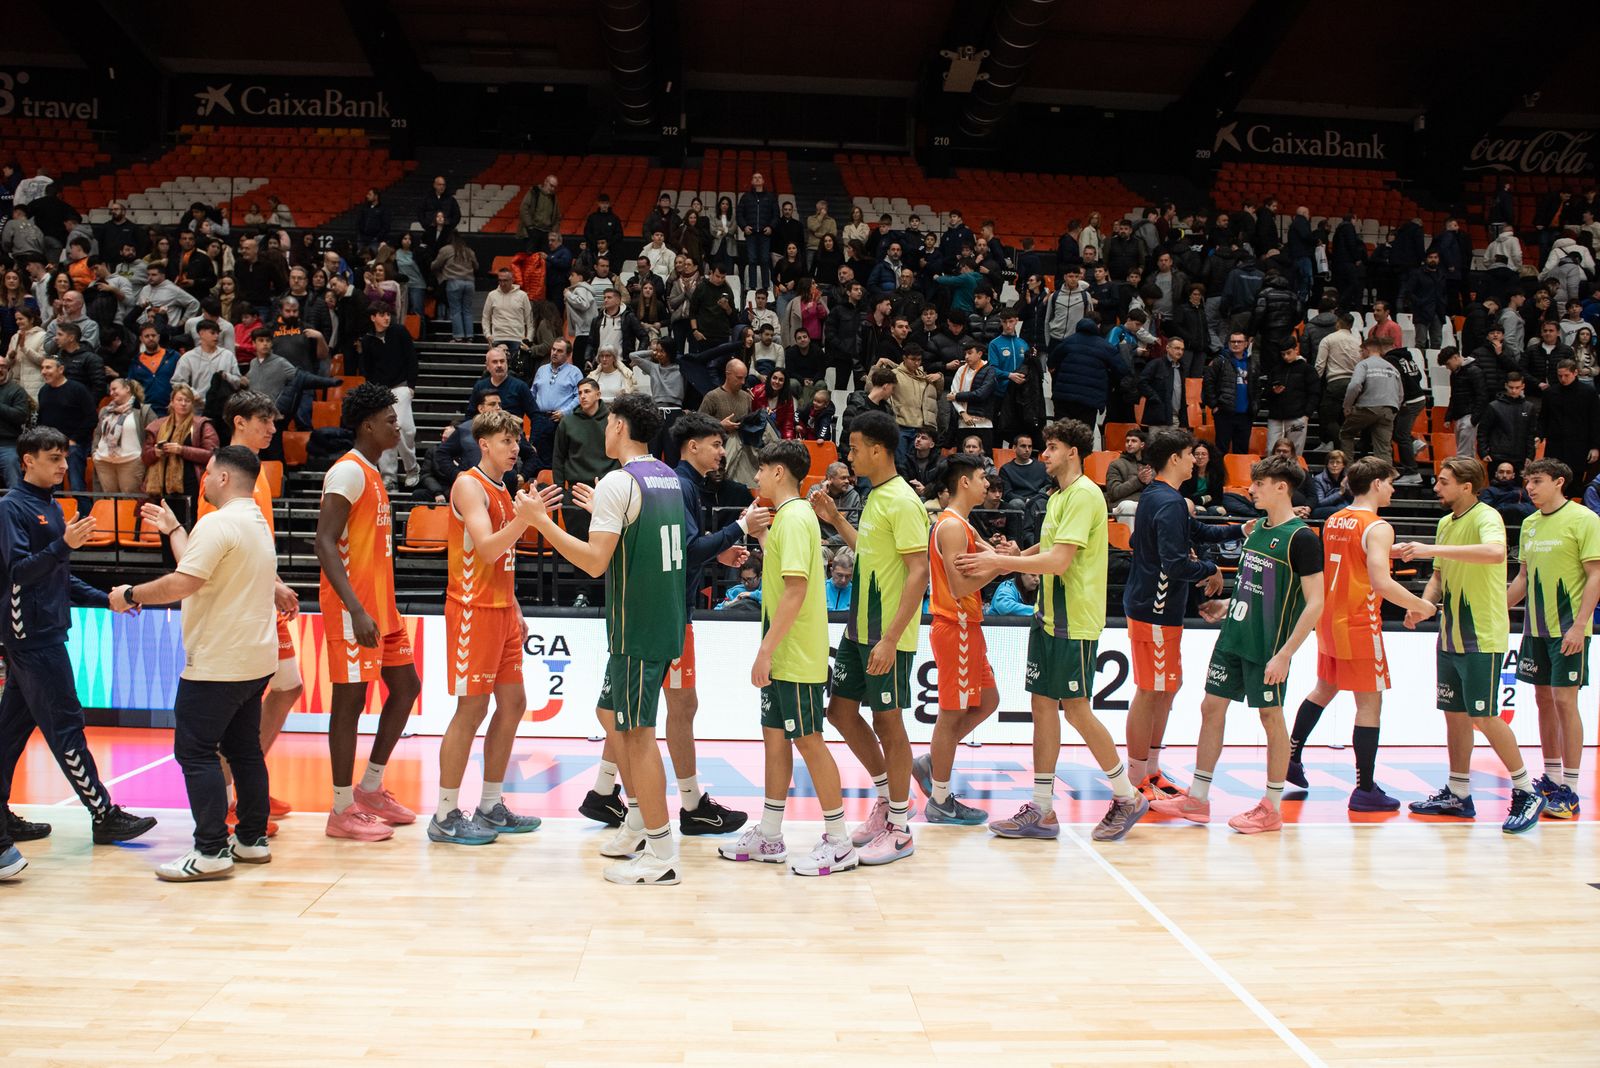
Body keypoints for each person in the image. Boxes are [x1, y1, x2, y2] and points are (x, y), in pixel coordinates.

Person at [520, 393, 689, 884]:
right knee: (610, 715)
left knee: (637, 736)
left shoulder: (619, 481)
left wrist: (540, 522)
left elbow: (594, 562)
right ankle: (637, 823)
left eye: (607, 423)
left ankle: (661, 856)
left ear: (616, 425)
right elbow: (637, 535)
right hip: (664, 618)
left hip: (636, 624)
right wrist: (606, 512)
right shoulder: (665, 477)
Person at [959, 418, 1147, 842]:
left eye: (1053, 448)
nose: (1045, 455)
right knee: (1042, 707)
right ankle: (1041, 809)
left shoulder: (1084, 495)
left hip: (1073, 620)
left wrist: (1001, 564)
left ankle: (1127, 796)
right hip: (1047, 616)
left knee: (1076, 709)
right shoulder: (1060, 495)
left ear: (1073, 453)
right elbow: (1047, 548)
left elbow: (1060, 562)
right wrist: (1010, 552)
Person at [577, 413, 761, 831]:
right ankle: (671, 813)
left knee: (634, 710)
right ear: (691, 446)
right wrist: (738, 528)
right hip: (662, 613)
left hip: (662, 611)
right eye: (716, 443)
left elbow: (678, 547)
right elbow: (684, 550)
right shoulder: (672, 482)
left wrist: (717, 551)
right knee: (643, 714)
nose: (722, 451)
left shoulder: (669, 481)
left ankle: (607, 794)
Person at [115, 447, 280, 880]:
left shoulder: (218, 523)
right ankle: (251, 840)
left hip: (217, 662)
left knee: (195, 751)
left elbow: (183, 582)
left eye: (207, 474)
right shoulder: (256, 522)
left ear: (223, 478)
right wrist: (174, 529)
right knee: (245, 751)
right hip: (254, 659)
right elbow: (201, 566)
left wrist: (130, 594)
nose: (202, 481)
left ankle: (210, 851)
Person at [0, 427, 157, 880]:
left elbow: (58, 579)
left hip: (46, 630)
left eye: (63, 458)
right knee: (66, 724)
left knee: (10, 731)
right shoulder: (11, 509)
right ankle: (104, 814)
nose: (62, 466)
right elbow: (19, 574)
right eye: (52, 458)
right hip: (30, 636)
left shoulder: (50, 506)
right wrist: (62, 545)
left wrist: (106, 598)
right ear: (26, 460)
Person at [1150, 455, 1324, 833]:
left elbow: (1316, 603)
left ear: (1282, 487)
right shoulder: (1257, 529)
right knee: (1210, 707)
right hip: (1234, 636)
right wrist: (1227, 604)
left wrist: (1285, 654)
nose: (1251, 489)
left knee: (1270, 717)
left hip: (1269, 645)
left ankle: (1272, 806)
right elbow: (1257, 587)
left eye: (1259, 483)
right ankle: (1197, 798)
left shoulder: (1303, 539)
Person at [716, 441, 858, 873]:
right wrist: (760, 537)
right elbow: (785, 576)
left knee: (809, 741)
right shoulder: (787, 521)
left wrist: (765, 652)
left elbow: (795, 591)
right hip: (785, 656)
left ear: (779, 473)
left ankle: (839, 842)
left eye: (761, 469)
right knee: (775, 739)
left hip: (794, 656)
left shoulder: (796, 518)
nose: (755, 477)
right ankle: (770, 835)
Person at [1395, 458, 1547, 832]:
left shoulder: (1486, 517)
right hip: (1450, 633)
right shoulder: (1446, 524)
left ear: (1466, 486)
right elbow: (1439, 576)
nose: (1436, 488)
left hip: (1482, 634)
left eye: (1443, 482)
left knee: (1483, 715)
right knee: (1455, 714)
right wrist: (1424, 606)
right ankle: (1458, 793)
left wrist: (1430, 550)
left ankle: (1526, 789)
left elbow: (1496, 554)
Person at [1282, 457, 1438, 810]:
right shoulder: (1378, 526)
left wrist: (1386, 552)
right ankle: (1365, 788)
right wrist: (1421, 605)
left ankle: (1291, 757)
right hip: (1359, 622)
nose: (1394, 489)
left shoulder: (1336, 518)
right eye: (1391, 482)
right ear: (1378, 483)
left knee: (1324, 688)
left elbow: (1352, 558)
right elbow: (1380, 582)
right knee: (1370, 704)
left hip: (1328, 619)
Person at [809, 411, 930, 864]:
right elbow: (871, 550)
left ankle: (900, 827)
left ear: (878, 450)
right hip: (858, 628)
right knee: (840, 712)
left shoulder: (902, 500)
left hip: (886, 634)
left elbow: (920, 573)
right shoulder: (876, 496)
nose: (850, 455)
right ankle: (887, 798)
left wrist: (890, 638)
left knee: (888, 721)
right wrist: (837, 520)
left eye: (855, 447)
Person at [426, 410, 547, 846]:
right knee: (471, 710)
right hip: (472, 611)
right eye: (506, 440)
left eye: (517, 440)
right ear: (485, 445)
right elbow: (489, 548)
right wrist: (527, 519)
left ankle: (491, 805)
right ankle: (443, 815)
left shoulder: (503, 488)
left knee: (513, 704)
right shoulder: (468, 484)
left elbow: (504, 562)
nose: (515, 447)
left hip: (501, 610)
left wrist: (514, 603)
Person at [313, 384, 423, 842]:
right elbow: (323, 542)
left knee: (406, 686)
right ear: (367, 425)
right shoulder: (348, 473)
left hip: (382, 608)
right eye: (390, 419)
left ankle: (371, 788)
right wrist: (356, 610)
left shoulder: (373, 473)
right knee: (350, 702)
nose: (398, 425)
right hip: (352, 609)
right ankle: (341, 809)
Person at [197, 392, 303, 825]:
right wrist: (273, 585)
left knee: (290, 685)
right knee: (240, 704)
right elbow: (223, 545)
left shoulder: (254, 472)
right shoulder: (222, 474)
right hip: (242, 601)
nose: (273, 430)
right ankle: (227, 800)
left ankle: (246, 781)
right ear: (239, 422)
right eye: (265, 421)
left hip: (261, 594)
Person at [1124, 428, 1235, 800]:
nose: (1195, 459)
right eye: (1191, 454)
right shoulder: (1169, 502)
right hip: (1154, 609)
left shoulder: (1161, 496)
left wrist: (1238, 530)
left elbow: (1193, 530)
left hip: (1158, 608)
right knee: (1151, 690)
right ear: (1175, 459)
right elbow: (1173, 564)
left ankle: (1151, 770)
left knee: (1167, 687)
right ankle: (1137, 776)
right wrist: (1209, 570)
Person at [911, 454, 1004, 825]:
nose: (988, 484)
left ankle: (934, 759)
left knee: (989, 700)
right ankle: (940, 800)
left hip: (969, 626)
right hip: (956, 626)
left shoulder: (964, 525)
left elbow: (993, 558)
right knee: (950, 718)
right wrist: (998, 565)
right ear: (964, 482)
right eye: (983, 477)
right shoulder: (950, 527)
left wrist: (1005, 557)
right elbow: (960, 584)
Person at [1505, 458, 1600, 820]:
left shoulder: (1585, 520)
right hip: (1536, 628)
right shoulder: (1529, 524)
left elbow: (1596, 576)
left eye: (1538, 481)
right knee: (1543, 699)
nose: (1530, 488)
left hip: (1569, 628)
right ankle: (1553, 777)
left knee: (1564, 700)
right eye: (1528, 482)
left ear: (1559, 482)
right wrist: (1496, 609)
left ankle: (1571, 790)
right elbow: (1522, 580)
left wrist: (1580, 625)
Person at [35, 355, 97, 491]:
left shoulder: (78, 389)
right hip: (50, 446)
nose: (43, 371)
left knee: (76, 485)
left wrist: (74, 440)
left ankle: (84, 512)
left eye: (48, 367)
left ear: (61, 369)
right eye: (42, 368)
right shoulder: (43, 391)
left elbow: (91, 417)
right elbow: (41, 419)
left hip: (75, 446)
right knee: (53, 487)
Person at [1539, 360, 1600, 495]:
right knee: (1553, 480)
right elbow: (1543, 418)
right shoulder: (1550, 393)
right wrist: (1540, 435)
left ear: (1575, 373)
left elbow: (1595, 421)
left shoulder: (1588, 393)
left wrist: (1595, 446)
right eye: (1560, 376)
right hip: (1555, 445)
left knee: (1575, 483)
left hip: (1579, 446)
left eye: (1566, 375)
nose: (1563, 379)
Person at [1340, 338, 1402, 461]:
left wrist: (1347, 406)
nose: (1360, 355)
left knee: (1346, 434)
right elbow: (1400, 394)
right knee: (1383, 448)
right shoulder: (1392, 368)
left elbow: (1355, 385)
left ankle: (1348, 472)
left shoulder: (1364, 364)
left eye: (1361, 351)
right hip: (1388, 409)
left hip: (1367, 407)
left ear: (1366, 350)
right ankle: (1385, 478)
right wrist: (1394, 410)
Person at [90, 377, 153, 493]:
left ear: (127, 389)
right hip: (104, 461)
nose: (111, 393)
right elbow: (98, 433)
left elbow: (153, 435)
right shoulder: (105, 411)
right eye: (110, 390)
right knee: (109, 501)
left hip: (131, 461)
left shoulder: (143, 410)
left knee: (129, 501)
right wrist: (94, 452)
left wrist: (144, 455)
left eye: (114, 389)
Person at [1202, 332, 1257, 455]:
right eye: (1233, 342)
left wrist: (1255, 407)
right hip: (1224, 413)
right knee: (1221, 451)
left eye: (1239, 342)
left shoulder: (1251, 363)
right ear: (1228, 344)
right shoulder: (1219, 361)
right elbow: (1208, 383)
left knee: (1242, 452)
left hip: (1245, 415)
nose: (1236, 344)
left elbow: (1256, 388)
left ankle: (1239, 475)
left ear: (1246, 344)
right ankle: (1220, 475)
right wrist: (1214, 405)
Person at [1477, 371, 1537, 474]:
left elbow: (1531, 434)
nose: (1514, 391)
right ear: (1505, 386)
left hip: (1519, 457)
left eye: (1517, 387)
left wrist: (1530, 455)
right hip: (1497, 456)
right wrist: (1483, 452)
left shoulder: (1529, 408)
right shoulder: (1494, 406)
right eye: (1511, 387)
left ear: (1523, 386)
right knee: (1495, 488)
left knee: (1517, 489)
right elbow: (1483, 431)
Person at [1439, 347, 1485, 459]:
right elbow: (1454, 396)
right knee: (1466, 451)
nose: (1447, 367)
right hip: (1460, 415)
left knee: (1464, 453)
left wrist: (1474, 419)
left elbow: (1482, 395)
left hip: (1469, 416)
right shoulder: (1455, 374)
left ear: (1455, 357)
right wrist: (1448, 416)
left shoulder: (1474, 371)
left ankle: (1463, 474)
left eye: (1448, 364)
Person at [1104, 427, 1150, 529]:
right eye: (1127, 441)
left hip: (1145, 503)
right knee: (1128, 506)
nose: (1129, 444)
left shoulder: (1150, 465)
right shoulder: (1116, 465)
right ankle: (1130, 544)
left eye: (1133, 441)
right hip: (1122, 505)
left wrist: (1149, 482)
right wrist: (1138, 480)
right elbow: (1114, 493)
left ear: (1142, 445)